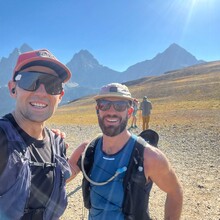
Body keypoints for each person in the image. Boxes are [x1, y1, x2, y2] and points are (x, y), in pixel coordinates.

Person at [67, 83, 183, 220]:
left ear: (129, 111)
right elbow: (62, 176)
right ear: (97, 109)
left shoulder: (149, 157)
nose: (111, 111)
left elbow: (175, 191)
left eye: (120, 105)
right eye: (104, 104)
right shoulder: (87, 150)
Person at [0, 49, 72, 220]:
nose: (41, 92)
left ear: (60, 96)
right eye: (30, 80)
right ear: (13, 89)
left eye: (52, 84)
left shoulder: (57, 143)